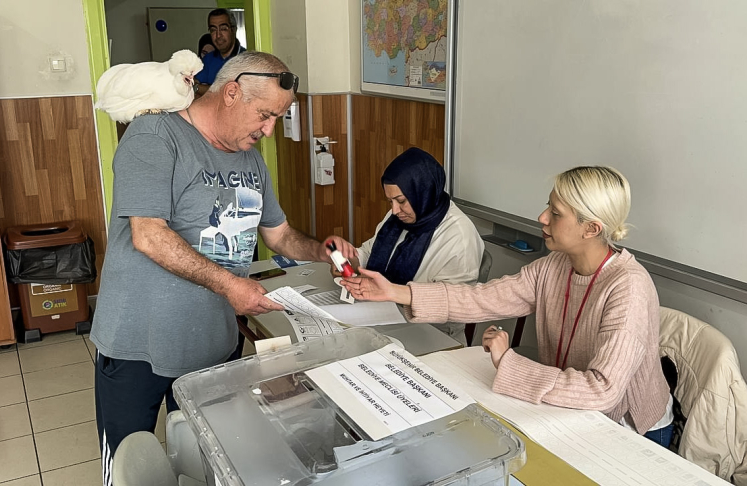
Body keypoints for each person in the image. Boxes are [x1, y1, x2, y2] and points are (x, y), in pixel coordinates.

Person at [90, 51, 354, 485]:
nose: (269, 130)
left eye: (277, 118)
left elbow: (280, 235)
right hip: (138, 343)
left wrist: (320, 251)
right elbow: (149, 235)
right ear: (231, 92)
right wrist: (230, 284)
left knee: (203, 458)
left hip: (214, 344)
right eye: (265, 115)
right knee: (127, 463)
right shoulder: (156, 135)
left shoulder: (250, 160)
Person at [342, 166, 674, 446]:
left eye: (556, 214)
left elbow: (602, 391)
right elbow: (482, 298)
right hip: (571, 409)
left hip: (629, 425)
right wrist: (397, 293)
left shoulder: (628, 287)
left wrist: (509, 364)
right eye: (548, 205)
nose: (542, 217)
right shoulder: (554, 266)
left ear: (592, 228)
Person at [349, 147, 484, 343]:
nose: (395, 210)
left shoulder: (458, 237)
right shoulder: (400, 218)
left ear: (423, 192)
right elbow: (369, 252)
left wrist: (393, 295)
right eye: (390, 201)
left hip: (433, 335)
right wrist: (348, 259)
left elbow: (451, 308)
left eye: (401, 201)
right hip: (385, 319)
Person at [194, 8, 246, 96]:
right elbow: (193, 88)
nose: (218, 35)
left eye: (223, 29)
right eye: (213, 30)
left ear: (233, 30)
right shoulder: (208, 59)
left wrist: (198, 88)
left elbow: (230, 93)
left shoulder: (246, 59)